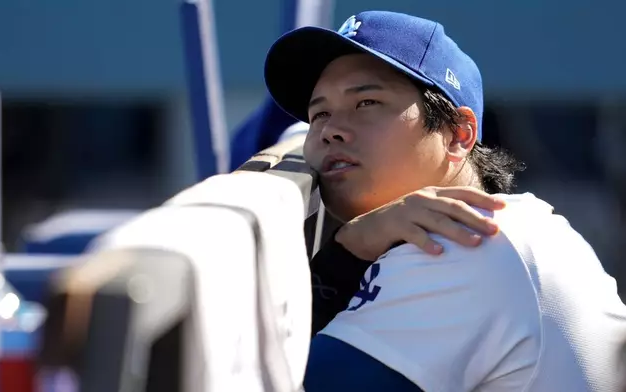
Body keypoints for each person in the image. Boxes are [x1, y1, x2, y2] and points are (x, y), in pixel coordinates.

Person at [263, 10, 626, 392]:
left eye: (366, 103)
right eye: (319, 113)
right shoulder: (512, 226)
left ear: (458, 134)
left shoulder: (470, 242)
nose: (330, 130)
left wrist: (339, 261)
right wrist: (350, 249)